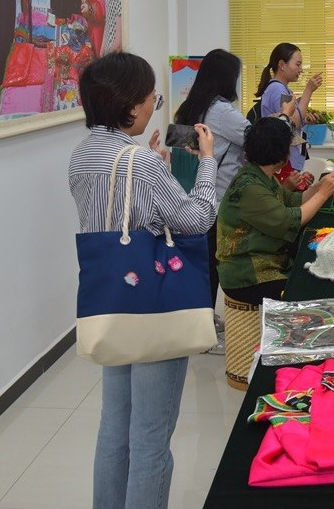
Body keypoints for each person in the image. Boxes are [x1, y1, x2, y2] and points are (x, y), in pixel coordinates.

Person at [68, 51, 218, 509]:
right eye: (152, 95)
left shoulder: (81, 156)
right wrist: (207, 162)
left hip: (113, 300)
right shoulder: (140, 163)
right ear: (130, 104)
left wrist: (153, 166)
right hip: (154, 302)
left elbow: (120, 211)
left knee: (114, 428)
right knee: (151, 438)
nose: (155, 103)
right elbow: (197, 218)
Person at [217, 117, 334, 389]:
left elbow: (294, 201)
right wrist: (323, 194)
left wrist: (317, 187)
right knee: (311, 288)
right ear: (282, 153)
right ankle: (301, 367)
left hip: (263, 262)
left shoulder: (260, 175)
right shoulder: (250, 187)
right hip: (248, 274)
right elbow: (290, 220)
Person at [174, 48, 253, 310]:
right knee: (214, 265)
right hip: (219, 197)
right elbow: (254, 138)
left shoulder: (190, 107)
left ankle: (201, 317)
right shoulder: (221, 111)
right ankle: (205, 322)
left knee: (201, 265)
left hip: (192, 196)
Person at [254, 43, 322, 183]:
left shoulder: (281, 89)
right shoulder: (278, 89)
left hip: (288, 160)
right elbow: (292, 123)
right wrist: (308, 90)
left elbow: (287, 120)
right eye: (297, 64)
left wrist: (304, 118)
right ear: (282, 65)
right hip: (285, 161)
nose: (301, 69)